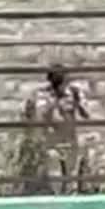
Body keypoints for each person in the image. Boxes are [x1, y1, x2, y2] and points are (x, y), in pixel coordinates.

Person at [21, 65, 91, 194]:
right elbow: (35, 117)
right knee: (56, 182)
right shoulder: (42, 95)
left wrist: (78, 102)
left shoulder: (73, 93)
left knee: (71, 183)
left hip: (70, 143)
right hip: (52, 144)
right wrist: (49, 104)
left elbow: (86, 114)